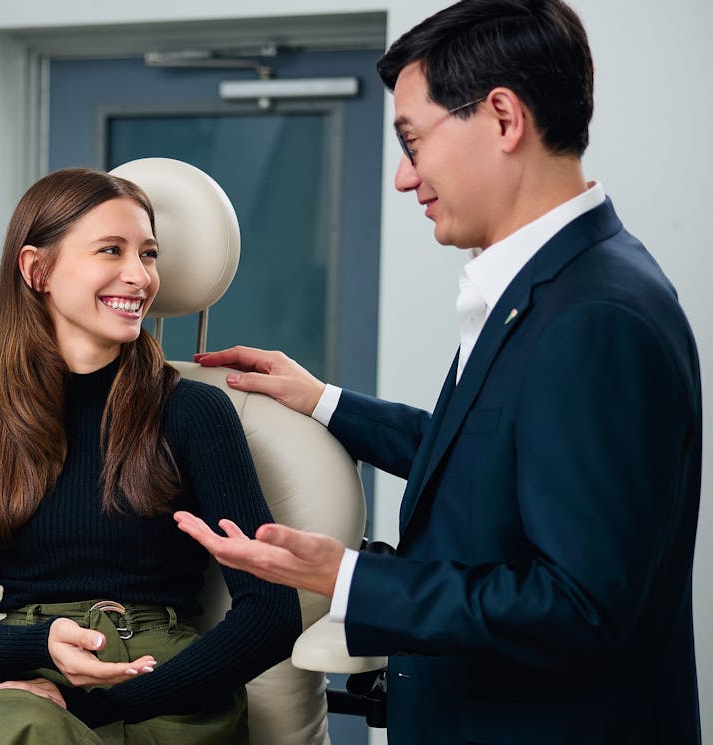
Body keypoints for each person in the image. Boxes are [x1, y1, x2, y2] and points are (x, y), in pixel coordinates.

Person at [173, 1, 703, 743]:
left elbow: (579, 606)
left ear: (503, 118)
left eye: (413, 142)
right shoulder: (555, 284)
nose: (401, 177)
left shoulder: (597, 316)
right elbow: (495, 460)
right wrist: (323, 400)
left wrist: (350, 578)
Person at [0, 167, 301, 745]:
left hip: (164, 686)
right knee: (22, 727)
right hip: (24, 682)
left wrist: (103, 707)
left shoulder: (194, 412)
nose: (139, 276)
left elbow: (271, 614)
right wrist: (36, 646)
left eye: (148, 254)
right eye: (111, 251)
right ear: (36, 270)